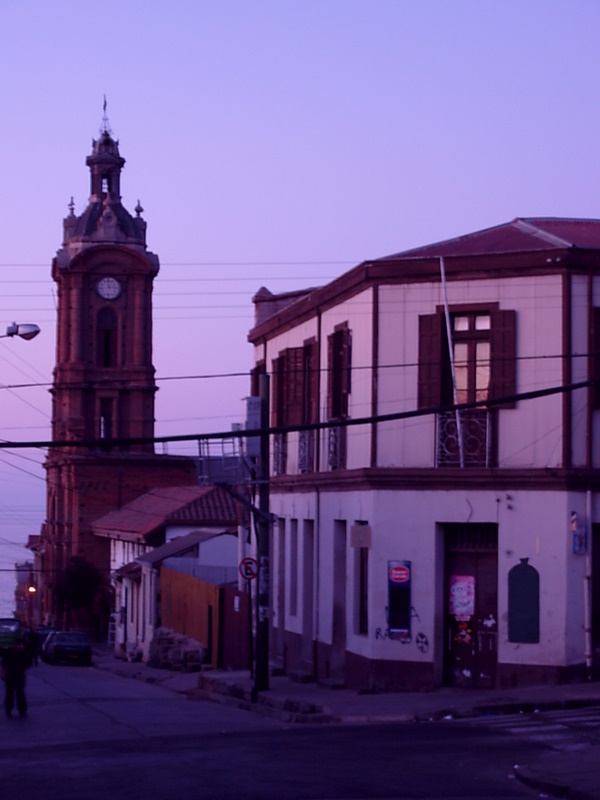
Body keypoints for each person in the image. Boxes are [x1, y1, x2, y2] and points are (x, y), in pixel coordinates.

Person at [1, 637, 29, 717]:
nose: (20, 646)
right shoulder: (10, 652)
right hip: (12, 675)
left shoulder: (22, 653)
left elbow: (27, 664)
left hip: (17, 675)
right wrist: (2, 673)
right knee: (12, 693)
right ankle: (11, 708)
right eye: (19, 645)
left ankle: (19, 709)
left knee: (17, 693)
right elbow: (3, 664)